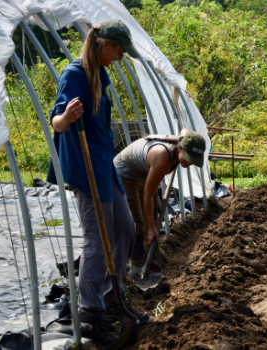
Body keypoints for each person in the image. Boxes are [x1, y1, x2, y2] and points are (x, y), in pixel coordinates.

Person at [47, 19, 147, 344]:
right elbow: (57, 122)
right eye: (119, 50)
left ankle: (108, 296)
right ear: (106, 45)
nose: (121, 57)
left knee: (126, 229)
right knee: (96, 241)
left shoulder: (101, 76)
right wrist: (67, 118)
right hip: (85, 169)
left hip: (105, 165)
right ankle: (89, 313)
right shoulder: (73, 75)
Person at [114, 129, 206, 288]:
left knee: (154, 227)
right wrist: (150, 228)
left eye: (193, 160)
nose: (189, 163)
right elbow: (147, 196)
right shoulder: (162, 157)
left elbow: (185, 130)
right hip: (124, 174)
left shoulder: (181, 144)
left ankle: (154, 274)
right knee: (139, 226)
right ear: (180, 148)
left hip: (143, 173)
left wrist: (180, 137)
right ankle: (138, 274)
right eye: (188, 158)